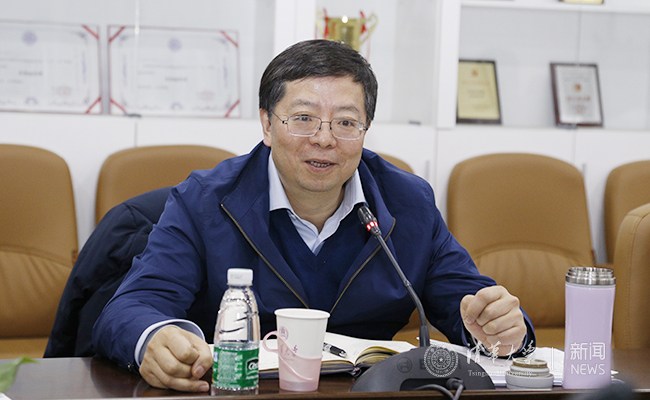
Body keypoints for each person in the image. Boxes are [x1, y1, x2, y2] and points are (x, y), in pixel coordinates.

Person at [93, 39, 535, 393]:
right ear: (267, 125)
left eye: (346, 122)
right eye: (303, 118)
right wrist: (154, 338)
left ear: (365, 129)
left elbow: (472, 305)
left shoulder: (407, 203)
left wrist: (503, 329)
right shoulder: (204, 201)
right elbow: (131, 307)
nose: (324, 139)